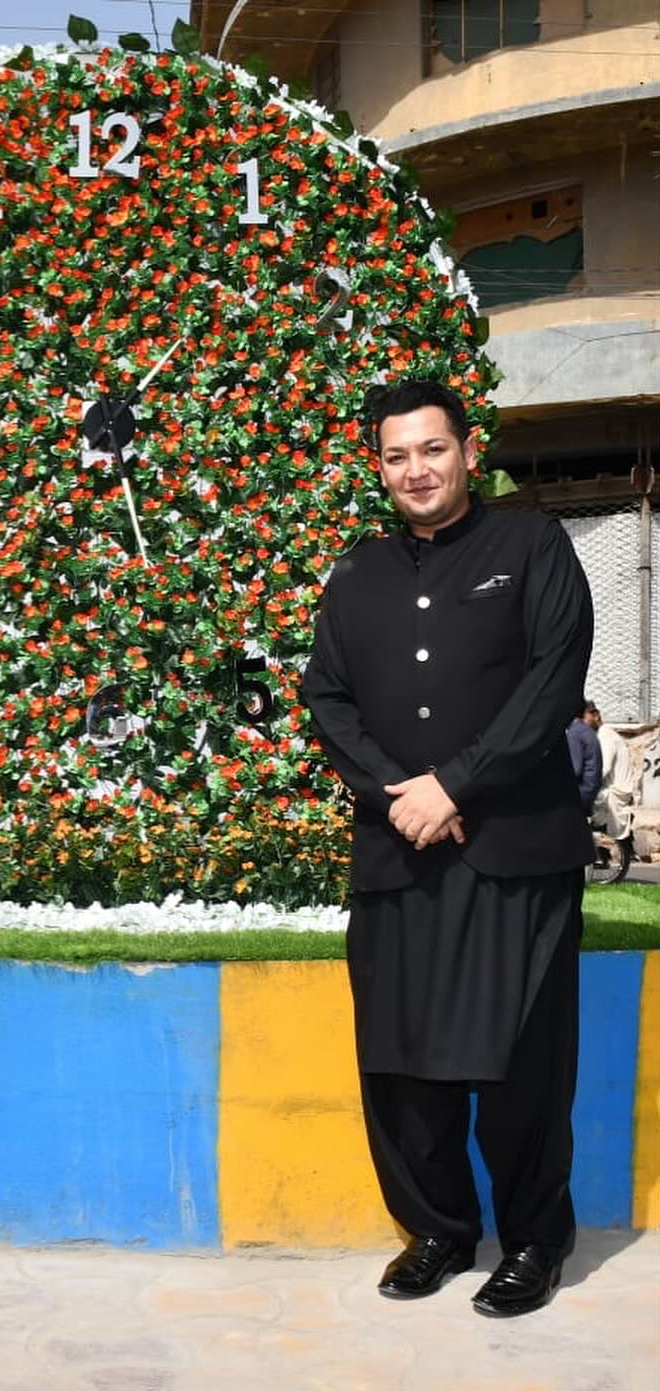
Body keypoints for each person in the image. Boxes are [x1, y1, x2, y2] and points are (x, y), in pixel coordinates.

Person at [301, 379, 593, 1318]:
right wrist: (400, 795)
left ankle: (535, 1239)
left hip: (512, 851)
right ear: (377, 467)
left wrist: (454, 784)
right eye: (396, 455)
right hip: (399, 854)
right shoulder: (355, 574)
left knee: (518, 1062)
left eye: (432, 449)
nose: (416, 469)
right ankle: (436, 1228)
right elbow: (326, 698)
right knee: (400, 1062)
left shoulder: (530, 543)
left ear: (468, 452)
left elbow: (553, 679)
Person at [582, 700, 635, 844]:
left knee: (582, 799)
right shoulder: (602, 735)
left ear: (596, 716)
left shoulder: (605, 736)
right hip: (613, 787)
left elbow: (603, 768)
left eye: (584, 718)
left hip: (616, 790)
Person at [566, 703, 602, 812]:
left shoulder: (574, 733)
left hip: (582, 791)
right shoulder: (587, 730)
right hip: (592, 789)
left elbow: (575, 770)